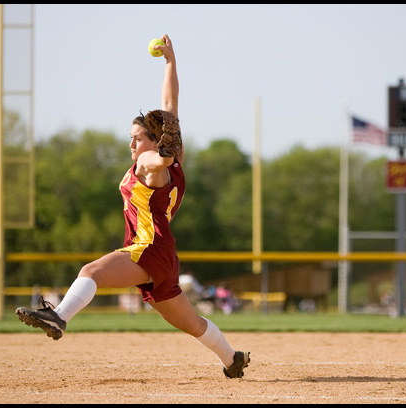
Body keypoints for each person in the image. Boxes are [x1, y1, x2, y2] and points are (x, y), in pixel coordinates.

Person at [15, 33, 250, 379]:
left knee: (90, 272)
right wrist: (171, 63)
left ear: (154, 142)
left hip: (147, 249)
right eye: (131, 137)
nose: (132, 142)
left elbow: (156, 161)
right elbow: (170, 105)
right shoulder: (175, 160)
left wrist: (159, 155)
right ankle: (232, 359)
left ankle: (60, 316)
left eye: (138, 137)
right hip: (164, 257)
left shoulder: (150, 164)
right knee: (193, 324)